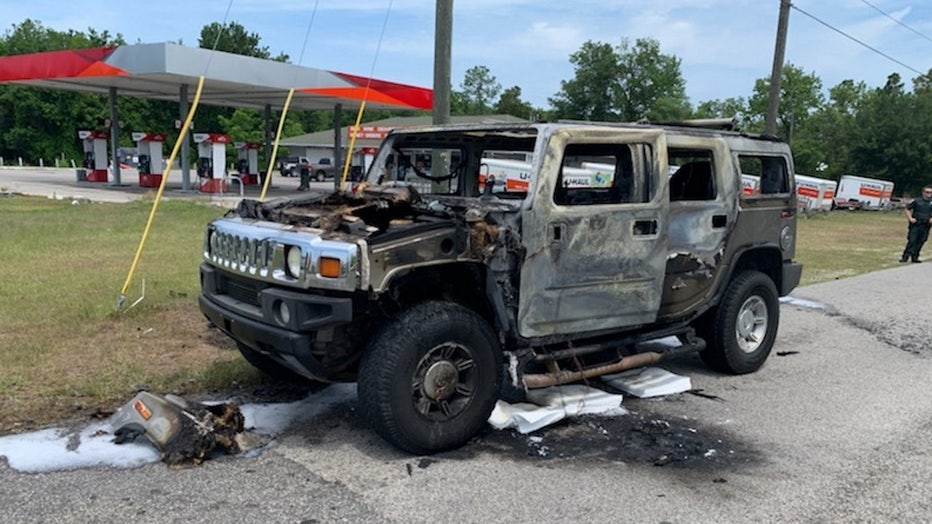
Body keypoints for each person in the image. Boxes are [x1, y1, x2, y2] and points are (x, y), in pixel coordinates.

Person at [900, 184, 932, 263]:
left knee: (921, 241)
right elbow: (907, 209)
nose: (929, 194)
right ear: (923, 192)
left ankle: (915, 257)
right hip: (916, 224)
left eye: (930, 193)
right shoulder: (917, 201)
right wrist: (910, 218)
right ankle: (905, 257)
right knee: (912, 240)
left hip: (926, 225)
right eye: (927, 192)